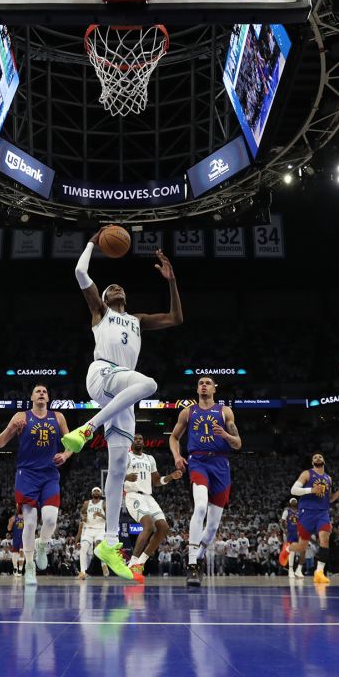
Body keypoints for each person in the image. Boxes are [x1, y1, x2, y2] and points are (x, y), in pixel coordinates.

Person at [61, 234, 182, 582]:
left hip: (121, 396)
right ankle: (87, 428)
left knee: (116, 469)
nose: (114, 286)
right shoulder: (99, 313)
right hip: (102, 375)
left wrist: (172, 281)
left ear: (125, 297)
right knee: (150, 384)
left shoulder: (137, 319)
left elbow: (175, 318)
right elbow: (80, 272)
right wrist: (90, 243)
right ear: (102, 297)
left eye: (118, 286)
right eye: (109, 286)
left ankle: (110, 542)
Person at [168, 376, 242, 587]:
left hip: (220, 464)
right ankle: (192, 565)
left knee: (211, 527)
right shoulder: (188, 412)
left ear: (214, 389)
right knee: (199, 507)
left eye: (208, 383)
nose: (204, 385)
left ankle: (198, 555)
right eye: (201, 383)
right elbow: (173, 437)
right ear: (197, 388)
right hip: (198, 461)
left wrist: (226, 436)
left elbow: (238, 444)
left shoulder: (225, 411)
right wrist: (176, 457)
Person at [0, 384, 72, 586]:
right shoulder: (21, 416)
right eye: (37, 391)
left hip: (49, 474)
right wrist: (12, 428)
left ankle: (42, 545)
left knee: (50, 519)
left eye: (45, 391)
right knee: (29, 523)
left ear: (48, 398)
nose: (41, 393)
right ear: (31, 397)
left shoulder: (58, 417)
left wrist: (65, 454)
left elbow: (72, 442)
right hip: (27, 474)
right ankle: (29, 566)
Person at [123, 432, 183, 583]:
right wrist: (125, 477)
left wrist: (170, 477)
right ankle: (132, 563)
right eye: (135, 439)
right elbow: (114, 475)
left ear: (144, 442)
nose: (138, 440)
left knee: (163, 527)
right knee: (148, 526)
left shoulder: (150, 459)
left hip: (148, 496)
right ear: (131, 443)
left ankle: (140, 563)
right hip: (133, 495)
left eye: (140, 438)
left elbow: (156, 481)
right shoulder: (126, 457)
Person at [289, 452, 339, 584]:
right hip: (307, 512)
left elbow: (329, 500)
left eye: (320, 457)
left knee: (324, 539)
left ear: (324, 461)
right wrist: (311, 490)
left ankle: (319, 572)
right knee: (301, 547)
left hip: (322, 513)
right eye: (315, 457)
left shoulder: (329, 478)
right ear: (312, 462)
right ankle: (287, 549)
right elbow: (293, 490)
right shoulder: (307, 474)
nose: (318, 458)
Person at [75, 487, 108, 580]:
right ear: (92, 493)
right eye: (95, 491)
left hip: (99, 530)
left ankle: (104, 564)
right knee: (83, 549)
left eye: (98, 491)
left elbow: (108, 517)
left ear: (101, 494)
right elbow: (81, 512)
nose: (96, 492)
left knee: (98, 547)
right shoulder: (87, 503)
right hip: (88, 529)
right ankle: (82, 572)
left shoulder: (104, 503)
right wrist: (83, 517)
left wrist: (101, 514)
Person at [278, 497, 303, 578]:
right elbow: (281, 522)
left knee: (301, 551)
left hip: (299, 532)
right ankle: (291, 570)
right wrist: (284, 529)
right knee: (292, 551)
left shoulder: (300, 511)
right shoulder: (286, 511)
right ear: (290, 503)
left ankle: (298, 570)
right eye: (292, 500)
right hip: (291, 532)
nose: (294, 501)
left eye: (295, 500)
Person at [6, 511, 25, 576]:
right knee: (15, 554)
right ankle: (15, 568)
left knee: (21, 552)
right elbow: (9, 529)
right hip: (15, 538)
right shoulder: (13, 518)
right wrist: (10, 522)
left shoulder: (26, 517)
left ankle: (20, 570)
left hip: (23, 538)